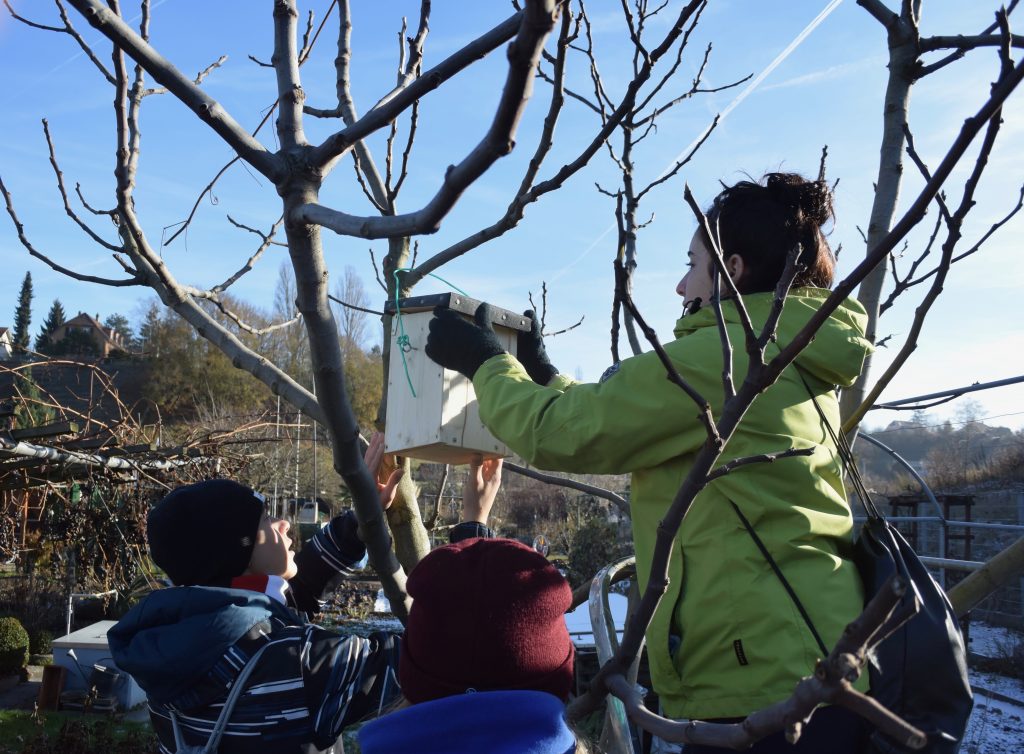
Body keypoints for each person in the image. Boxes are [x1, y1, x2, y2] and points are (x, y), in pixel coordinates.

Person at [424, 173, 873, 752]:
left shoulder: (724, 358)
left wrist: (486, 363)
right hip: (809, 649)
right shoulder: (791, 353)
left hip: (760, 676)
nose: (682, 283)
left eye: (693, 263)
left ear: (732, 271)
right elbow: (633, 420)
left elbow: (563, 434)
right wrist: (548, 378)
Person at [109, 435, 579, 753]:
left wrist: (360, 521)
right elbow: (450, 655)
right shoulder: (296, 666)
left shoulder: (173, 636)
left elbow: (288, 599)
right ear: (241, 551)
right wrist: (474, 530)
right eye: (266, 521)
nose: (283, 524)